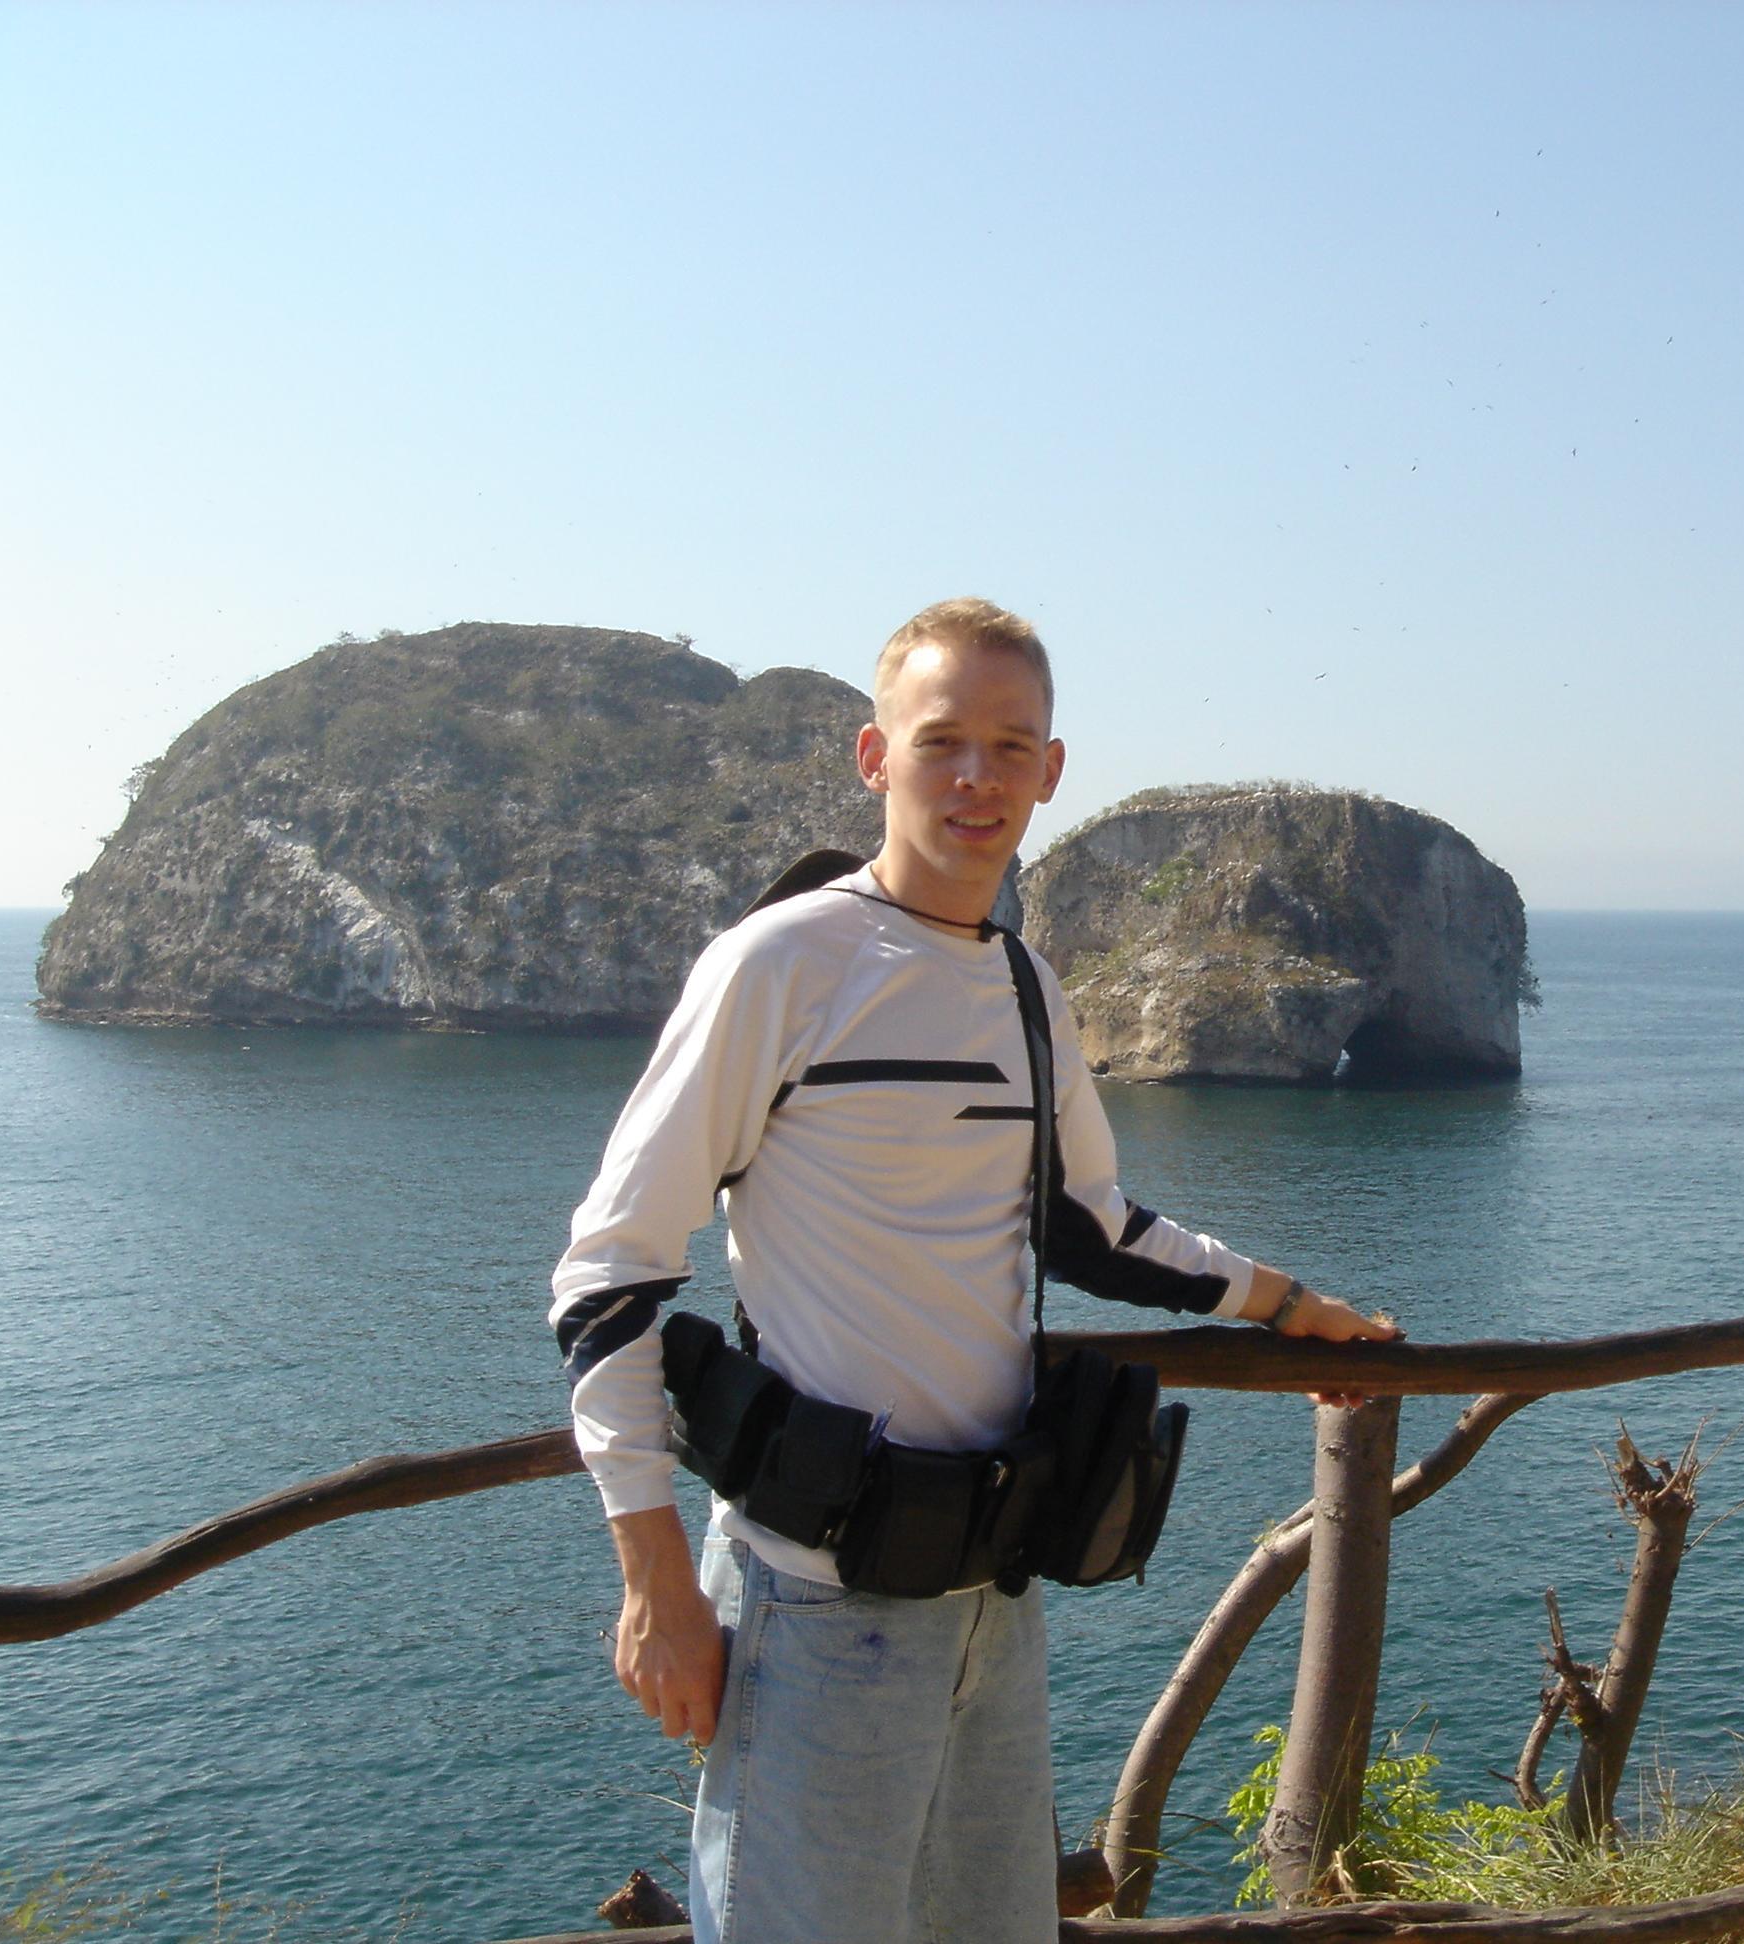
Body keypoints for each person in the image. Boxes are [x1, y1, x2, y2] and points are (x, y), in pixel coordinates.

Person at [548, 597, 1399, 1944]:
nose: (977, 777)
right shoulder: (780, 963)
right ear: (874, 755)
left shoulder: (1020, 984)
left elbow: (1088, 1227)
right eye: (943, 740)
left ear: (1051, 772)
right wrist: (653, 1581)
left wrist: (1290, 1308)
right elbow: (608, 1275)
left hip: (990, 1595)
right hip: (814, 1595)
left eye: (1013, 746)